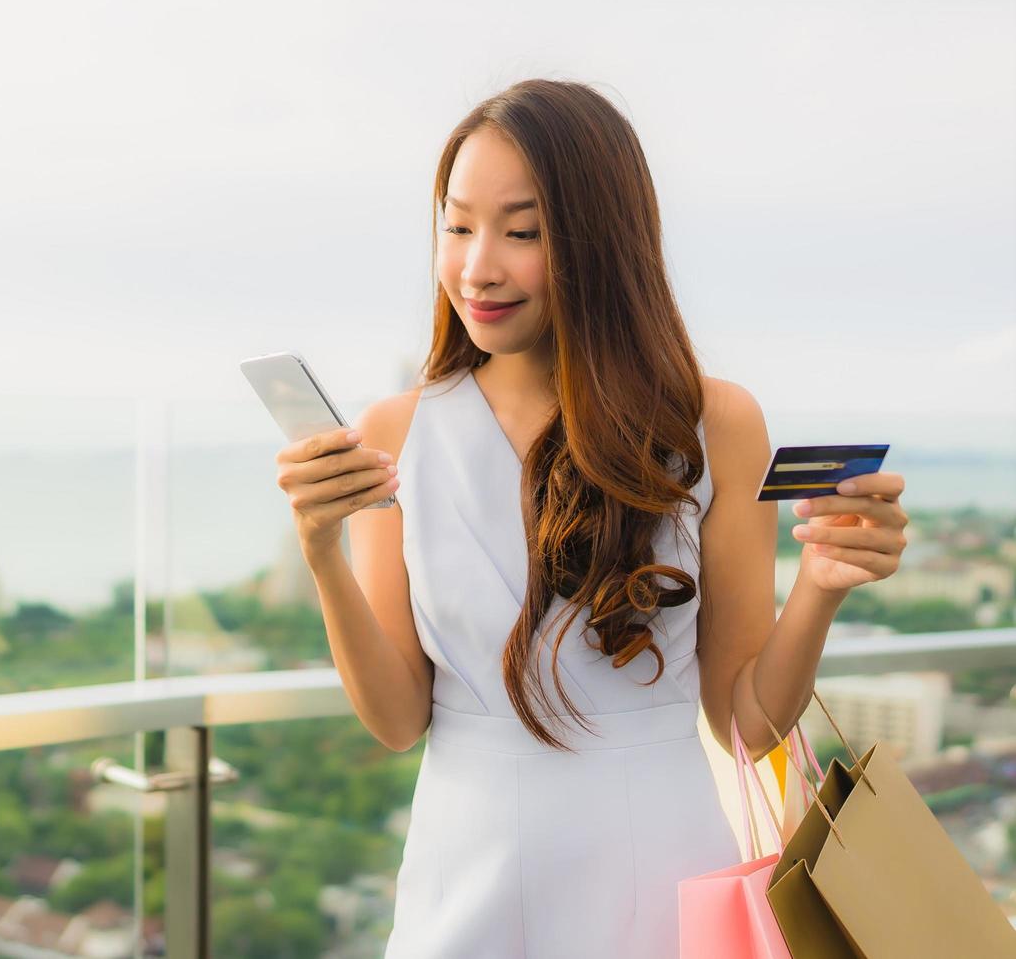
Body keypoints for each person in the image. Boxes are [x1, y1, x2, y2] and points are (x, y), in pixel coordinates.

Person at [272, 79, 910, 958]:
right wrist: (321, 550)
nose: (477, 266)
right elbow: (394, 720)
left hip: (657, 869)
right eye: (456, 226)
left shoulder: (715, 423)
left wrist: (822, 589)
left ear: (597, 243)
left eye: (521, 231)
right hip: (463, 878)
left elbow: (746, 725)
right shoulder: (398, 431)